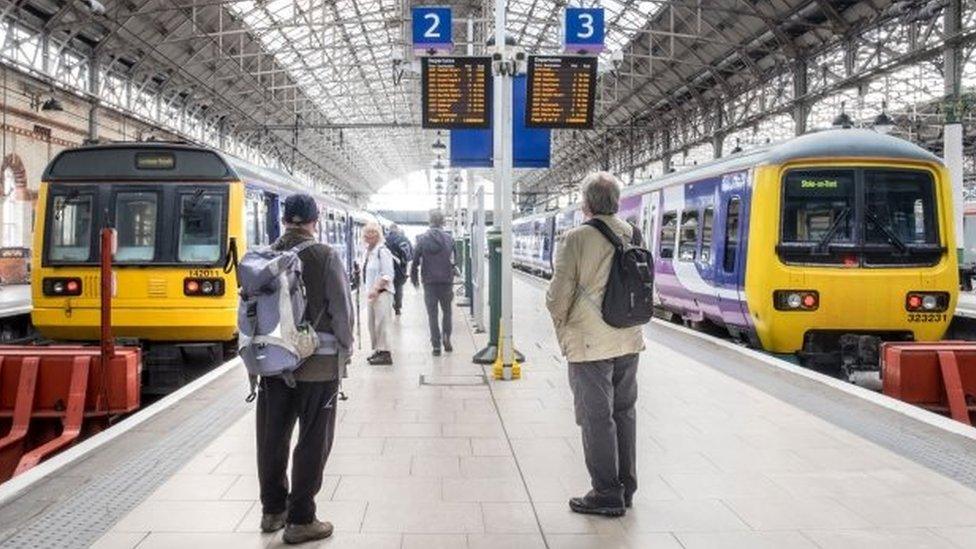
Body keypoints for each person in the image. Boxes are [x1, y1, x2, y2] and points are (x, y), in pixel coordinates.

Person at [545, 172, 645, 518]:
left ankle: (605, 492)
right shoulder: (632, 233)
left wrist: (562, 323)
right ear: (616, 201)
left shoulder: (575, 239)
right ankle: (626, 487)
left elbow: (558, 298)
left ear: (586, 203)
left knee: (596, 417)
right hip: (628, 338)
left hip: (590, 345)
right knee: (624, 412)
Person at [257, 193, 354, 544]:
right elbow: (342, 310)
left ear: (285, 219)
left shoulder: (265, 255)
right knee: (314, 439)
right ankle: (301, 519)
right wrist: (347, 347)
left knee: (272, 437)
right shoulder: (324, 255)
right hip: (318, 366)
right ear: (315, 220)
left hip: (272, 364)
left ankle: (272, 511)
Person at [410, 209, 455, 356]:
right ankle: (446, 336)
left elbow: (415, 261)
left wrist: (414, 278)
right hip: (446, 281)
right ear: (443, 222)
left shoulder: (422, 239)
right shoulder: (450, 239)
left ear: (429, 221)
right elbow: (455, 260)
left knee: (432, 314)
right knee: (447, 311)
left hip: (429, 282)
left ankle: (436, 345)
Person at [362, 222, 395, 365]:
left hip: (382, 294)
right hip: (372, 294)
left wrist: (376, 288)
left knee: (382, 324)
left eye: (373, 233)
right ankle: (378, 350)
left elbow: (388, 274)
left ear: (378, 234)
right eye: (367, 233)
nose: (369, 236)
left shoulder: (383, 251)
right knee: (372, 324)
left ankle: (385, 353)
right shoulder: (369, 252)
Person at [385, 224, 413, 316]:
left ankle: (388, 306)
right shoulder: (403, 240)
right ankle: (397, 307)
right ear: (397, 230)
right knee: (398, 288)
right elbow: (410, 255)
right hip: (400, 268)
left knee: (387, 288)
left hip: (386, 268)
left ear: (390, 230)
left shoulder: (384, 240)